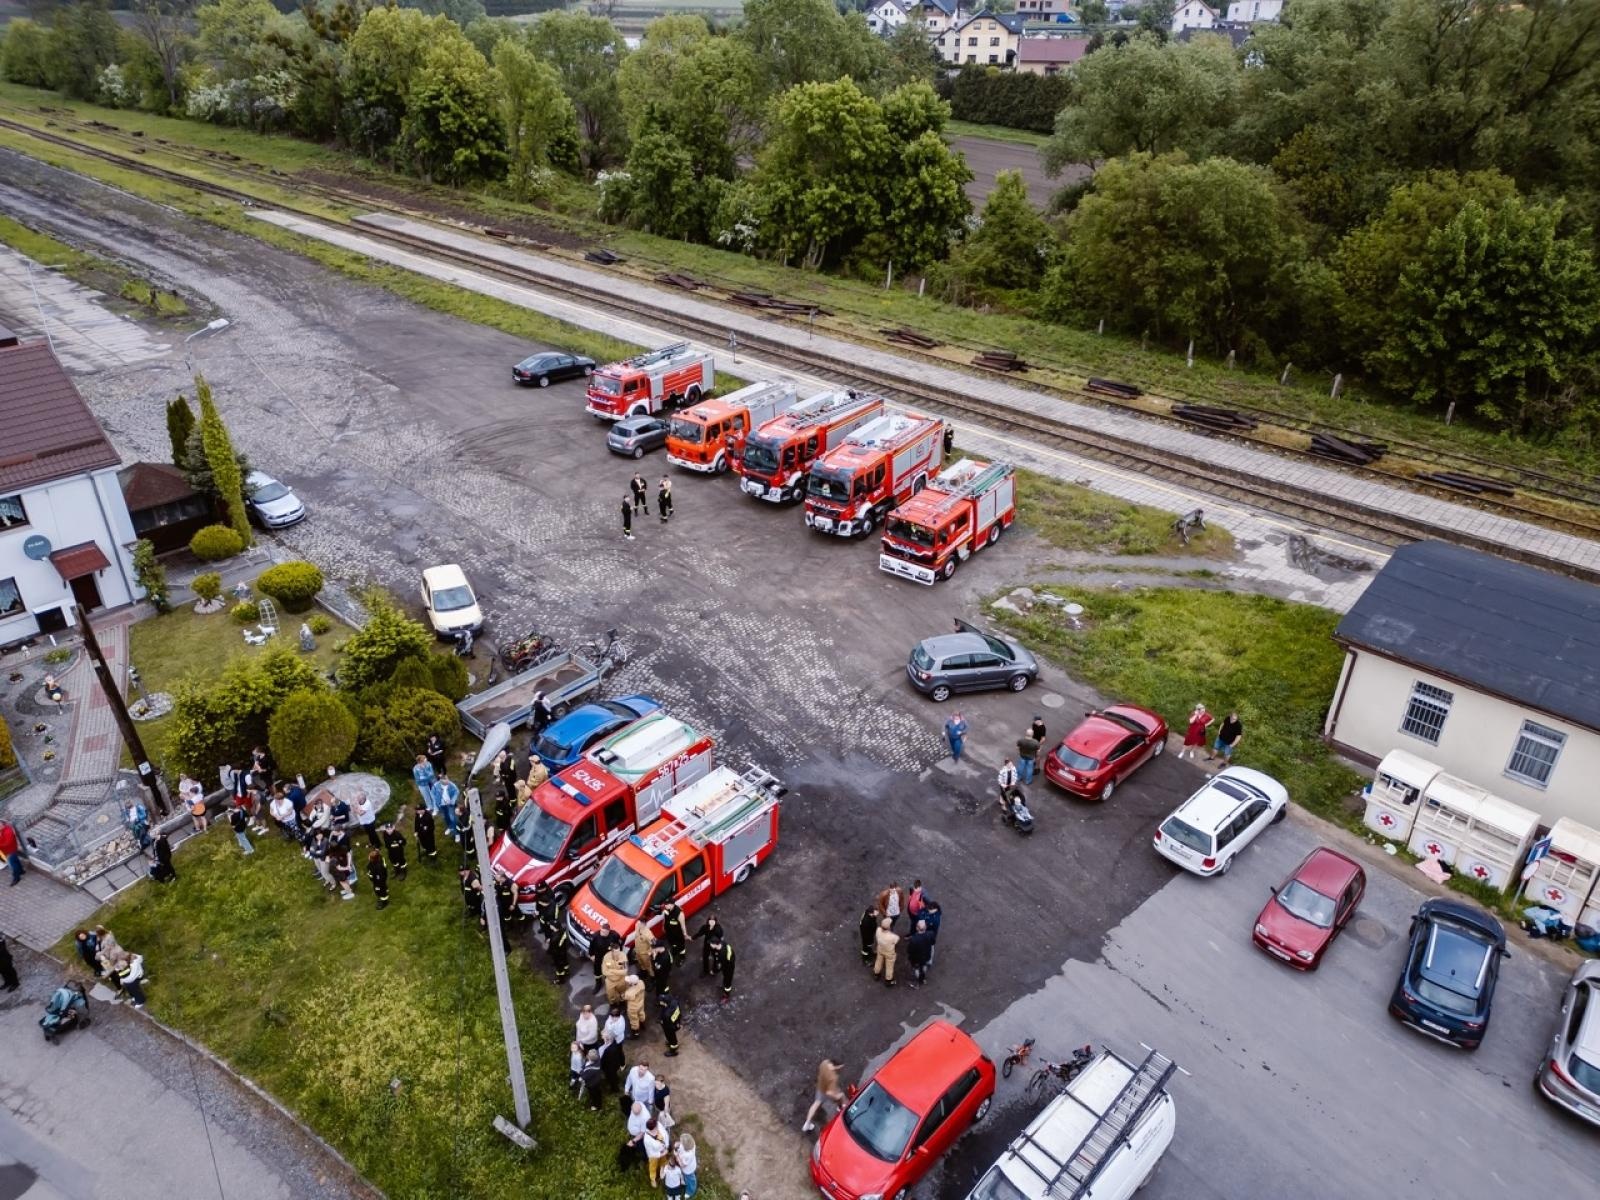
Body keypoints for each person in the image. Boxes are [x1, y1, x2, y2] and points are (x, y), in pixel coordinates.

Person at [803, 1059, 846, 1133]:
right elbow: (829, 1092)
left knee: (816, 1104)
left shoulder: (824, 1063)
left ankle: (807, 1124)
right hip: (828, 1090)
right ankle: (841, 1107)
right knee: (841, 1095)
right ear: (836, 1066)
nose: (840, 1068)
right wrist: (836, 1096)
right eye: (840, 1067)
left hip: (820, 1087)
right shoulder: (833, 1077)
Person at [591, 920, 621, 990]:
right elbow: (591, 946)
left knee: (608, 967)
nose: (602, 933)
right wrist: (592, 955)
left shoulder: (614, 935)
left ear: (609, 931)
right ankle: (598, 983)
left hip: (608, 957)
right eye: (601, 931)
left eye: (604, 932)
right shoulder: (595, 936)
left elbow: (618, 945)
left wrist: (617, 954)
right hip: (598, 955)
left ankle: (608, 981)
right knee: (597, 969)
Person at [643, 1118, 670, 1187]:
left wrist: (666, 1146)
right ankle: (653, 1179)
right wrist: (662, 1154)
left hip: (663, 1149)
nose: (658, 1127)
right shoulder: (647, 1140)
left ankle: (662, 1169)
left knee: (663, 1161)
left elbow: (665, 1134)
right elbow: (651, 1153)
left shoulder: (657, 1124)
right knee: (653, 1167)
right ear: (652, 1129)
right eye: (656, 1127)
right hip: (654, 1156)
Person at [433, 774, 461, 841]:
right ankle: (450, 827)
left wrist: (452, 800)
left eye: (447, 779)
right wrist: (436, 805)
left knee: (452, 818)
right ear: (440, 781)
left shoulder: (451, 785)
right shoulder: (436, 786)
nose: (447, 781)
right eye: (445, 780)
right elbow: (433, 795)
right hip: (441, 805)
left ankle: (457, 834)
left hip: (450, 804)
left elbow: (457, 791)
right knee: (446, 817)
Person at [907, 919, 934, 987]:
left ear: (917, 928)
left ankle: (918, 981)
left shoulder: (913, 939)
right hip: (926, 956)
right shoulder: (930, 934)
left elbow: (909, 950)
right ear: (925, 927)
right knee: (924, 966)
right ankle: (923, 978)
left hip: (916, 959)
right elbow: (933, 942)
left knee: (916, 969)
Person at [602, 940, 630, 1006]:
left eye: (619, 951)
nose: (618, 953)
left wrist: (612, 970)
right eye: (616, 952)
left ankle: (622, 1002)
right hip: (610, 981)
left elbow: (625, 971)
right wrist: (619, 972)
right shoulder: (606, 957)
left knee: (623, 992)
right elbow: (604, 972)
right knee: (611, 995)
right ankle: (613, 1004)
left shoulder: (623, 956)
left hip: (621, 980)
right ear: (612, 951)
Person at [873, 917, 899, 987]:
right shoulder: (893, 937)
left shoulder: (878, 930)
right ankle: (888, 980)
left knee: (878, 961)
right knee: (889, 966)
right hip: (889, 953)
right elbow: (896, 941)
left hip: (880, 949)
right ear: (889, 927)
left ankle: (876, 974)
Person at [658, 982, 682, 1056]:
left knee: (671, 1037)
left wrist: (662, 1021)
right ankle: (671, 1043)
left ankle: (673, 1050)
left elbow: (666, 1019)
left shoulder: (667, 1013)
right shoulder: (674, 1001)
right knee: (671, 1036)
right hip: (675, 1023)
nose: (660, 1003)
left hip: (669, 1026)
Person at [549, 905, 572, 981]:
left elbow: (553, 948)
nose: (550, 926)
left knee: (559, 967)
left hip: (558, 954)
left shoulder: (554, 938)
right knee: (565, 962)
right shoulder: (562, 931)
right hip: (563, 951)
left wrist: (550, 953)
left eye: (551, 925)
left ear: (554, 927)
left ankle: (561, 979)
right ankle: (567, 971)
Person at [0, 819, 27, 886]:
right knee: (15, 861)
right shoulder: (3, 830)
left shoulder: (8, 831)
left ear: (2, 824)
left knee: (12, 865)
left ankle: (16, 877)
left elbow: (7, 843)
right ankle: (21, 871)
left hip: (10, 850)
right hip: (7, 850)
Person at [600, 1028, 626, 1093]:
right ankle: (616, 1079)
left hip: (610, 1068)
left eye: (602, 1035)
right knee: (614, 1076)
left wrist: (600, 1064)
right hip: (614, 1065)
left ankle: (615, 1089)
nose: (601, 1036)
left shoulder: (609, 1050)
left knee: (611, 1079)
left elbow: (605, 1060)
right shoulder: (614, 1043)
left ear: (607, 1038)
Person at [713, 932, 736, 1002]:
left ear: (715, 944)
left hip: (728, 968)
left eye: (711, 944)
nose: (710, 945)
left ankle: (726, 995)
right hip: (728, 964)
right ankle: (725, 988)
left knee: (727, 982)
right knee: (725, 978)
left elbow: (720, 965)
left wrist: (715, 971)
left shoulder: (722, 954)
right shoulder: (723, 944)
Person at [675, 1132, 699, 1199]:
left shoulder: (687, 1155)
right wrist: (679, 1144)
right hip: (691, 1164)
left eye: (681, 1142)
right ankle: (684, 1180)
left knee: (690, 1179)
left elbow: (682, 1165)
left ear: (684, 1146)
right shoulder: (692, 1144)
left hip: (688, 1170)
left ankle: (690, 1191)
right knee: (685, 1177)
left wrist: (677, 1156)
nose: (680, 1142)